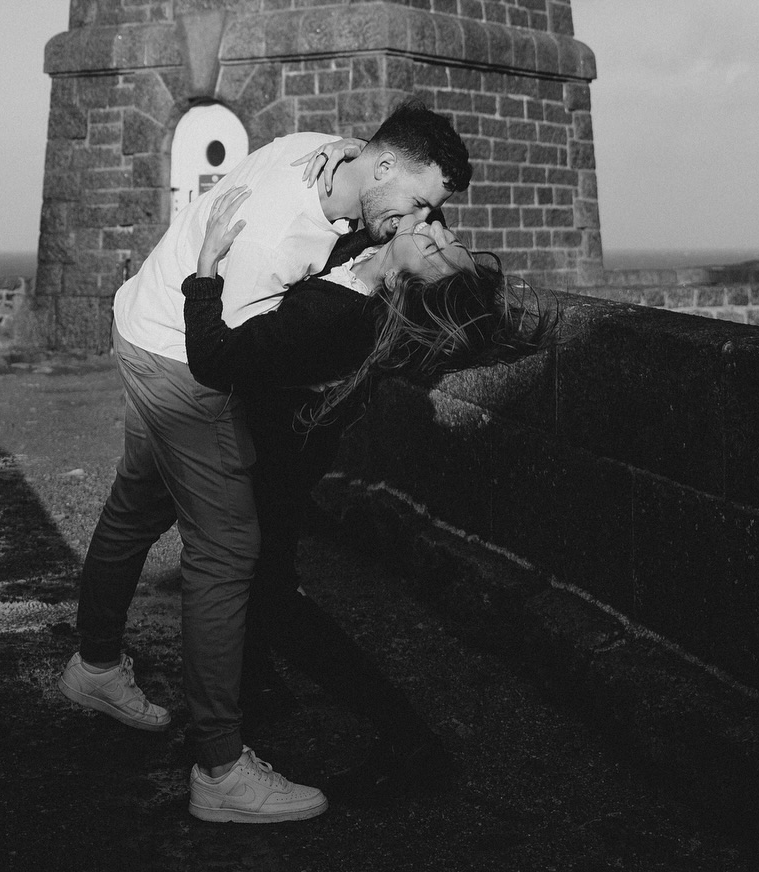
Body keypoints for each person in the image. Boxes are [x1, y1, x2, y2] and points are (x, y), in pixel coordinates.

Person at [58, 103, 472, 825]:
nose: (423, 220)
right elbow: (222, 360)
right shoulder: (277, 241)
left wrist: (354, 156)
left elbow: (347, 170)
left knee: (139, 506)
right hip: (181, 359)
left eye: (431, 216)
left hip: (140, 321)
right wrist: (209, 273)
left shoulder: (319, 154)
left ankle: (95, 666)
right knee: (228, 555)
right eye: (419, 203)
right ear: (381, 166)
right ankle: (220, 769)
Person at [181, 179, 553, 801]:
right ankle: (257, 685)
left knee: (270, 595)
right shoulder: (368, 261)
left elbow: (213, 360)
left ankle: (410, 741)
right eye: (442, 230)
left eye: (436, 247)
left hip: (273, 461)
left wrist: (205, 269)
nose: (433, 227)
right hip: (289, 452)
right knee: (266, 578)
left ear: (412, 285)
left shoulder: (337, 318)